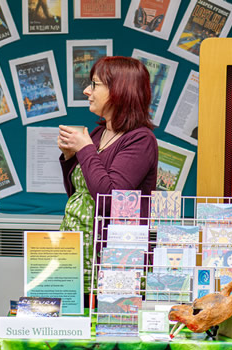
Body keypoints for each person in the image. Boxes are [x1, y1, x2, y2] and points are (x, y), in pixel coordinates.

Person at [58, 56, 158, 294]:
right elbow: (79, 194)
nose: (86, 91)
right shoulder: (97, 134)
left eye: (94, 84)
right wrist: (69, 157)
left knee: (107, 328)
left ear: (118, 91)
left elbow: (111, 198)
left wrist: (84, 149)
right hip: (75, 254)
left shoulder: (140, 139)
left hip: (112, 260)